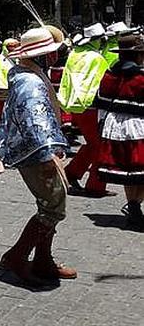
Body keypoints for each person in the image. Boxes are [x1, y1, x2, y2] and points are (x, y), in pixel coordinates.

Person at [0, 26, 76, 284]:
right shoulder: (30, 81)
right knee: (53, 206)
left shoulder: (27, 74)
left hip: (35, 149)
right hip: (36, 152)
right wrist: (48, 157)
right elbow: (34, 122)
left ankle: (42, 260)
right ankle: (18, 256)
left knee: (50, 203)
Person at [94, 33, 144, 231]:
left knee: (130, 172)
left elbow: (101, 103)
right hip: (138, 128)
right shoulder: (140, 78)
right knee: (139, 171)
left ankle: (133, 206)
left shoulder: (109, 75)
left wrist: (102, 126)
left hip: (114, 127)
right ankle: (135, 207)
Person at [60, 23, 111, 196]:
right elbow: (105, 83)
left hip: (77, 106)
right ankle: (95, 186)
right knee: (99, 146)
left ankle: (71, 172)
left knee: (91, 144)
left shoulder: (75, 55)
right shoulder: (97, 58)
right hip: (93, 106)